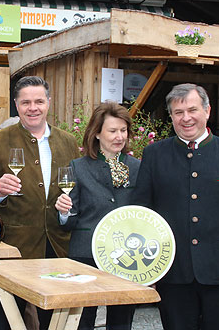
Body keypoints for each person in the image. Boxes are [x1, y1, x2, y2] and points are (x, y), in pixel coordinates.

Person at [133, 83, 219, 330]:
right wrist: (146, 271)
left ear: (207, 111)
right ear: (170, 116)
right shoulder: (154, 154)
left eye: (192, 110)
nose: (186, 118)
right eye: (178, 112)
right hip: (173, 274)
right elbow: (143, 215)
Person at [0, 75, 79, 329]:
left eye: (38, 101)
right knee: (6, 319)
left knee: (54, 321)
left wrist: (66, 213)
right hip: (13, 247)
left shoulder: (68, 142)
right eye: (25, 103)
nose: (32, 108)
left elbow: (75, 193)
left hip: (56, 247)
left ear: (49, 103)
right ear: (16, 104)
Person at [55, 102, 139, 330]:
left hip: (126, 259)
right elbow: (68, 222)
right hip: (86, 256)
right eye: (113, 131)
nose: (119, 136)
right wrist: (64, 211)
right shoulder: (78, 167)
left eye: (123, 130)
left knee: (122, 322)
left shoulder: (139, 167)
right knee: (82, 322)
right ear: (97, 134)